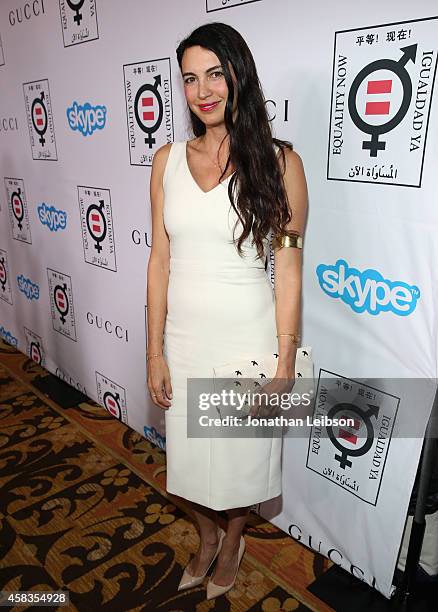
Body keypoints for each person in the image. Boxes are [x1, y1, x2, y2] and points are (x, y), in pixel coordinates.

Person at [146, 22, 308, 600]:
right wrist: (154, 350)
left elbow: (288, 268)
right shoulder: (166, 161)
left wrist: (285, 358)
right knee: (188, 467)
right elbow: (160, 261)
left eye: (215, 73)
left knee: (240, 467)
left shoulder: (279, 162)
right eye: (190, 79)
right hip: (186, 340)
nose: (202, 90)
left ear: (239, 74)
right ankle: (208, 535)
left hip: (246, 338)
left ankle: (232, 537)